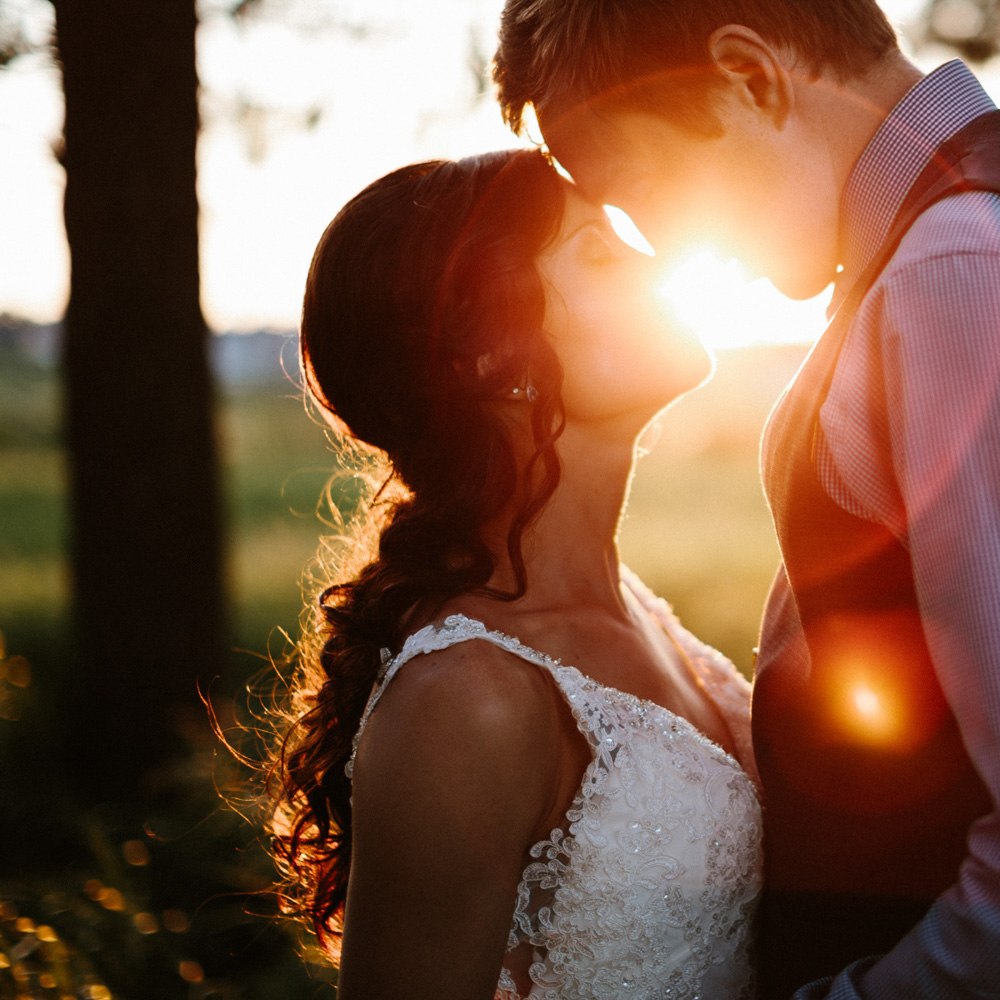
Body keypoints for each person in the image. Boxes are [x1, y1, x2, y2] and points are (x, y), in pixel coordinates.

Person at [493, 1, 1000, 999]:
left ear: (753, 77)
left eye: (642, 188)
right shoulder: (941, 260)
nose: (662, 247)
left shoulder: (976, 279)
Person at [264, 149, 763, 1000]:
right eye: (603, 253)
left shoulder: (632, 603)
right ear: (487, 359)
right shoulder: (467, 697)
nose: (659, 260)